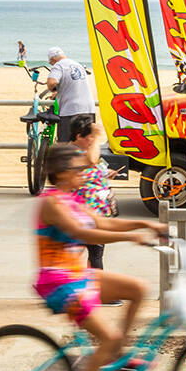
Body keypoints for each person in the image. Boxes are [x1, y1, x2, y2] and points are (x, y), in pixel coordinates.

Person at [35, 143, 168, 371]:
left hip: (78, 275)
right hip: (59, 283)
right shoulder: (51, 203)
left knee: (137, 289)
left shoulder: (71, 200)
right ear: (60, 173)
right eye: (77, 169)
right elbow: (82, 232)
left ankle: (118, 354)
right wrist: (131, 238)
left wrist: (147, 225)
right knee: (106, 338)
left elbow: (103, 222)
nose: (83, 174)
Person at [69, 115, 118, 269]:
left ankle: (94, 286)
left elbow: (92, 165)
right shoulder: (69, 152)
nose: (91, 142)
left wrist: (104, 172)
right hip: (80, 214)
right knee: (76, 253)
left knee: (95, 253)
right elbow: (91, 160)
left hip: (96, 213)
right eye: (89, 138)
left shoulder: (84, 152)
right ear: (79, 136)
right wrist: (97, 137)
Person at [47, 47, 96, 143]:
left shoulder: (58, 66)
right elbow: (74, 84)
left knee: (66, 146)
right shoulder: (77, 64)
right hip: (88, 109)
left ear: (52, 59)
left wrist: (52, 89)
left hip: (70, 111)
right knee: (86, 144)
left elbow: (52, 82)